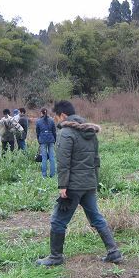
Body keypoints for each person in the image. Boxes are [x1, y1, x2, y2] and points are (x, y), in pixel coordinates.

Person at [36, 100, 122, 266]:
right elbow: (96, 160)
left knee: (58, 221)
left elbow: (63, 161)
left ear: (63, 115)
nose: (56, 120)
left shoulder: (67, 132)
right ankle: (114, 252)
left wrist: (62, 186)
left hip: (73, 186)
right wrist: (94, 182)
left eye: (57, 117)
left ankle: (55, 257)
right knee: (96, 217)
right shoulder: (90, 131)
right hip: (89, 184)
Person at [35, 108, 57, 178]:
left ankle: (44, 175)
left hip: (43, 141)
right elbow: (54, 132)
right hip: (51, 140)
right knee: (52, 158)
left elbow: (37, 133)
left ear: (41, 113)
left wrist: (39, 140)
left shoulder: (38, 121)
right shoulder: (52, 120)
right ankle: (52, 175)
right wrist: (54, 140)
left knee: (44, 158)